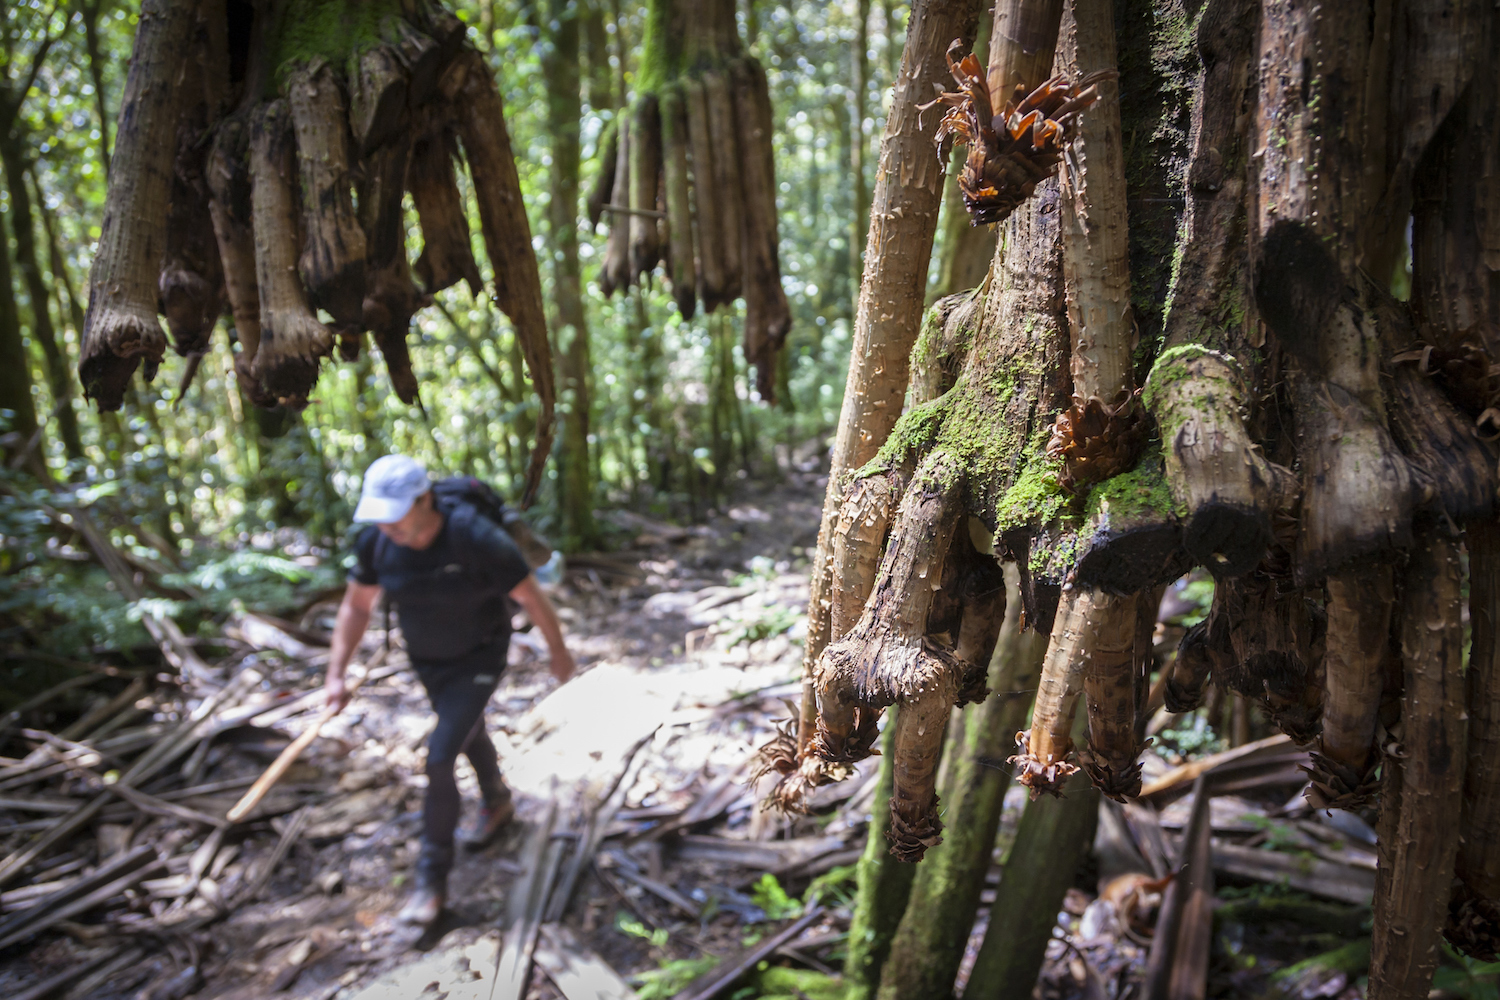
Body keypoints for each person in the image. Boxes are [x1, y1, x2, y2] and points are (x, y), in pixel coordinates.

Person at [323, 455, 575, 927]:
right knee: (466, 730)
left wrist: (558, 652)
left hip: (481, 654)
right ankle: (497, 801)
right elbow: (356, 607)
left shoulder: (474, 535)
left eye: (394, 512)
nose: (385, 525)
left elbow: (529, 595)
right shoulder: (376, 543)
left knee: (440, 756)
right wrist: (336, 673)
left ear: (424, 500)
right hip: (428, 661)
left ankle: (430, 883)